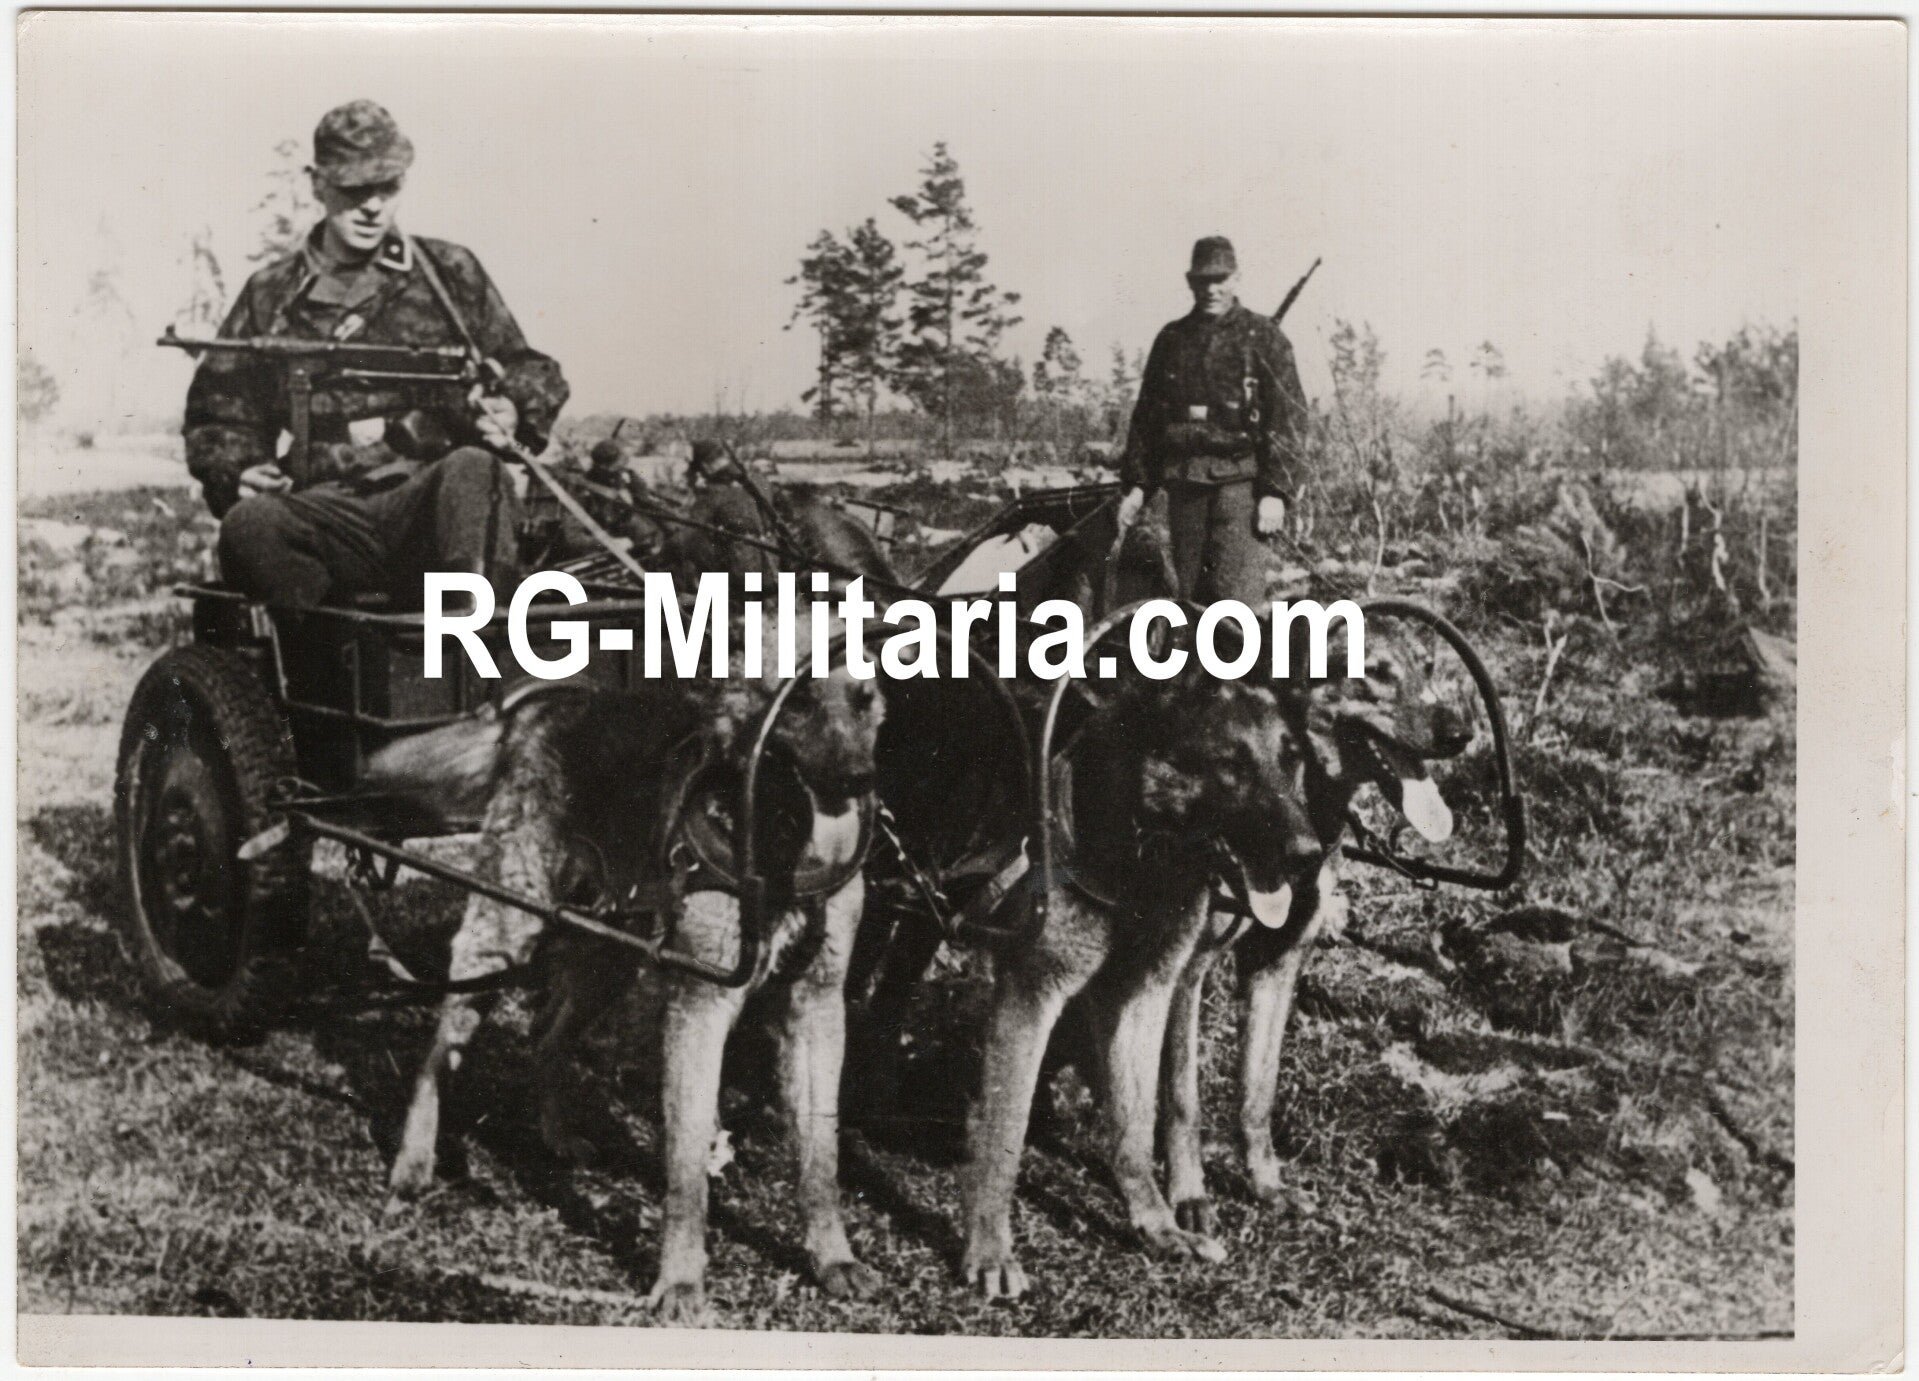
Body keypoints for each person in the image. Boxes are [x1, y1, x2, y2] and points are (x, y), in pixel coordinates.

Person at [185, 100, 569, 607]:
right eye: (354, 189)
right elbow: (219, 408)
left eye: (387, 188)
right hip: (324, 508)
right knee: (251, 525)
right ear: (317, 183)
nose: (373, 206)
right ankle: (327, 674)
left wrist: (512, 406)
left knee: (475, 469)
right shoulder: (271, 293)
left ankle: (468, 662)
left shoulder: (448, 273)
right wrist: (238, 469)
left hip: (429, 503)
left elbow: (525, 367)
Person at [1115, 236, 1309, 608]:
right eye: (1203, 280)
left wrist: (1276, 493)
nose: (1212, 289)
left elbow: (1289, 419)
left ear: (1237, 278)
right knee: (1191, 601)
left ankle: (1249, 666)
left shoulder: (1264, 338)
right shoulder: (1172, 340)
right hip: (1185, 488)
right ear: (1190, 282)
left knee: (1235, 603)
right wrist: (1138, 485)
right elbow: (1148, 419)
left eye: (1220, 279)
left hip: (1241, 490)